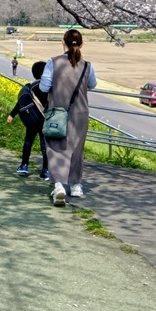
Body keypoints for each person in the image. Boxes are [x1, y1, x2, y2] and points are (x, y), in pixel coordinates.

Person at [40, 29, 97, 206]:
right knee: (76, 149)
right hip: (80, 114)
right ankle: (76, 185)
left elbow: (43, 87)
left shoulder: (53, 62)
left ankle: (58, 186)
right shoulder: (87, 65)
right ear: (81, 44)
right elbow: (92, 84)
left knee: (56, 147)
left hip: (58, 112)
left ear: (62, 41)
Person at [7, 60, 49, 179]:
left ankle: (24, 166)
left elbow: (20, 103)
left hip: (32, 120)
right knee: (45, 145)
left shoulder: (31, 87)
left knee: (28, 141)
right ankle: (45, 171)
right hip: (45, 120)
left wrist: (12, 115)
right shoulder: (49, 87)